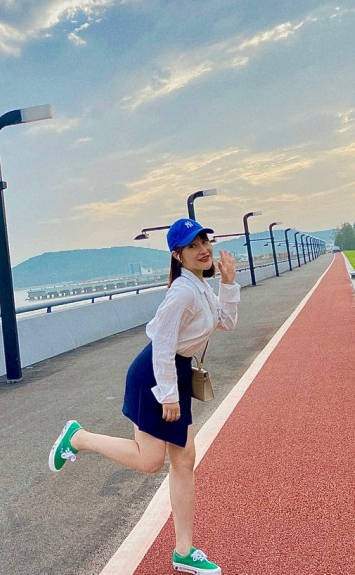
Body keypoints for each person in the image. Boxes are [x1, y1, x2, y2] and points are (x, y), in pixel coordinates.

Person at [48, 218, 240, 575]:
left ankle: (184, 551)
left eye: (204, 241)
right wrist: (168, 395)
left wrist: (227, 284)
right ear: (177, 255)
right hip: (154, 375)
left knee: (184, 460)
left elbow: (226, 322)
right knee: (150, 460)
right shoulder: (182, 292)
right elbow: (162, 345)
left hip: (174, 372)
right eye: (192, 245)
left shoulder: (199, 285)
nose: (203, 249)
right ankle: (78, 438)